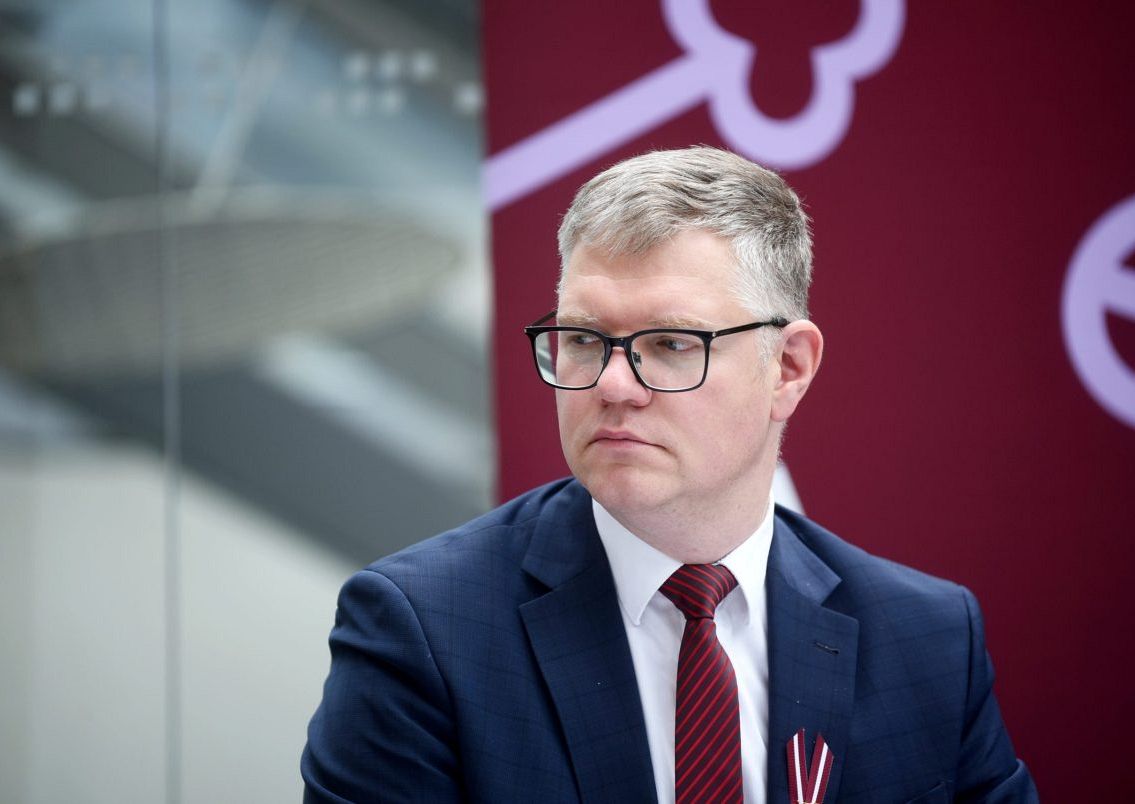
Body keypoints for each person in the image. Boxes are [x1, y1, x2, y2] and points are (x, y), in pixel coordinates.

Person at [302, 147, 1038, 803]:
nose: (612, 385)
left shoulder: (927, 639)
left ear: (787, 368)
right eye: (583, 338)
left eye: (671, 343)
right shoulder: (425, 629)